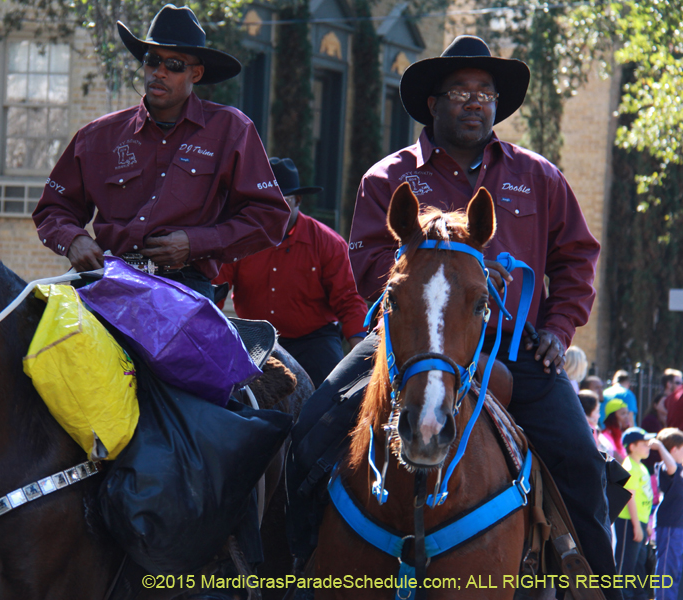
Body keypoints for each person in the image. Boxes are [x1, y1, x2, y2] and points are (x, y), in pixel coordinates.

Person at [286, 34, 617, 595]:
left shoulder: (538, 176)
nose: (475, 101)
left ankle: (602, 585)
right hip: (409, 341)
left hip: (515, 345)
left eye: (485, 92)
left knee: (583, 461)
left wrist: (558, 333)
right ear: (433, 103)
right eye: (460, 90)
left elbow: (578, 259)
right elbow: (366, 264)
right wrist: (421, 285)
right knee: (309, 435)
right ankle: (288, 569)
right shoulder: (387, 178)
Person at [32, 4, 290, 299]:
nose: (160, 72)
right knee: (40, 335)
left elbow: (270, 216)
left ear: (196, 73)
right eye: (152, 60)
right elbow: (53, 208)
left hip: (185, 287)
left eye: (175, 64)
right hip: (107, 280)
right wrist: (73, 240)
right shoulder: (97, 136)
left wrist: (196, 242)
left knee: (189, 346)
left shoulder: (232, 130)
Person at [213, 157, 368, 387]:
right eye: (266, 203)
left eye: (281, 202)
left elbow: (348, 300)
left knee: (334, 399)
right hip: (255, 338)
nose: (273, 212)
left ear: (297, 200)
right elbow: (215, 288)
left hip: (314, 342)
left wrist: (362, 356)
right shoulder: (240, 240)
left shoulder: (328, 243)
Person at [615, 427, 655, 600]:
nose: (648, 447)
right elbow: (628, 497)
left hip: (640, 522)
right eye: (644, 444)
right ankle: (622, 596)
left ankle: (639, 596)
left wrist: (645, 526)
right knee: (626, 564)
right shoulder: (629, 466)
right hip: (629, 522)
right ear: (632, 446)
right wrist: (636, 525)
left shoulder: (641, 466)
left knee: (638, 562)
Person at [650, 428, 683, 600]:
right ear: (674, 450)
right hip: (669, 525)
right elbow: (670, 465)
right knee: (667, 569)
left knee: (677, 570)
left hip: (679, 526)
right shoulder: (667, 467)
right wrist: (660, 447)